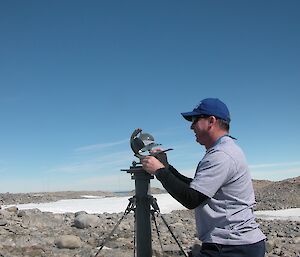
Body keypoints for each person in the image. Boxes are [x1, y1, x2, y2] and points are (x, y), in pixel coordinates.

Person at [141, 98, 266, 257]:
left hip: (232, 246)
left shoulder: (221, 155)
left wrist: (159, 171)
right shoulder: (224, 150)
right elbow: (196, 187)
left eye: (195, 120)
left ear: (211, 121)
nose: (191, 126)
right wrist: (166, 167)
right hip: (235, 243)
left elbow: (192, 199)